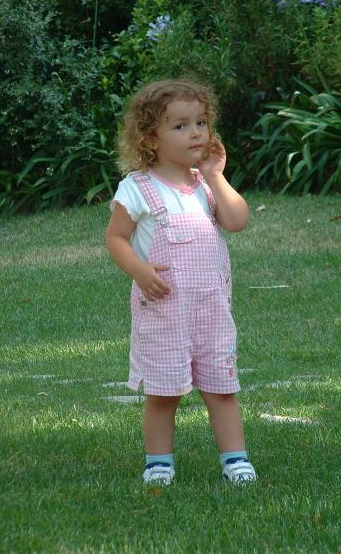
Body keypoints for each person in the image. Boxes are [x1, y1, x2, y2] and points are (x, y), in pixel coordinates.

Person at [105, 79, 256, 486]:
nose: (195, 133)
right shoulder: (138, 188)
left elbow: (237, 221)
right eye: (180, 126)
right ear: (150, 138)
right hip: (165, 310)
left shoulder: (204, 185)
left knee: (221, 386)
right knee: (164, 392)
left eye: (202, 123)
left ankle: (235, 459)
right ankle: (159, 462)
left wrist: (216, 176)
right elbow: (115, 238)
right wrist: (138, 269)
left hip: (210, 309)